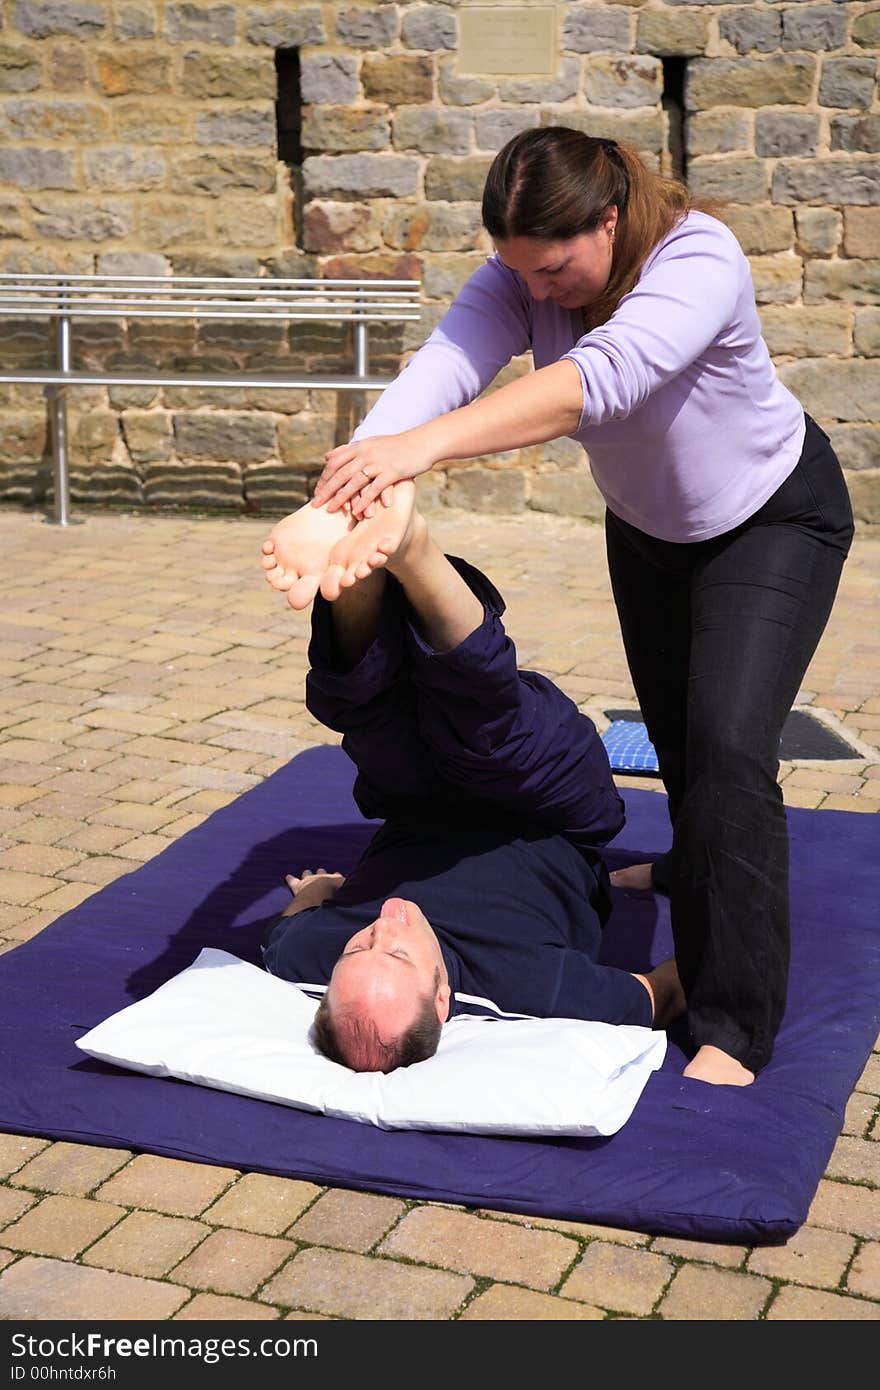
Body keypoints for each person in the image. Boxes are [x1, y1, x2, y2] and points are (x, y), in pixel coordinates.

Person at [268, 127, 854, 1087]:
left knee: (725, 746)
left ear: (610, 221)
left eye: (553, 268)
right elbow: (440, 373)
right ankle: (677, 866)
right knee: (672, 730)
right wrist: (332, 500)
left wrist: (415, 458)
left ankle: (733, 1021)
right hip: (651, 532)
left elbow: (599, 383)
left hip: (771, 519)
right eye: (519, 272)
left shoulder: (697, 255)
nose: (537, 291)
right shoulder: (519, 278)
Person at [260, 482, 683, 1074]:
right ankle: (413, 550)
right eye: (400, 953)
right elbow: (664, 993)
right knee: (487, 726)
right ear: (441, 997)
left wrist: (313, 894)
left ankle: (356, 558)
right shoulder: (536, 989)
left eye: (358, 946)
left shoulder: (314, 958)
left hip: (417, 800)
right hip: (549, 811)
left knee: (362, 709)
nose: (385, 922)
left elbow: (288, 937)